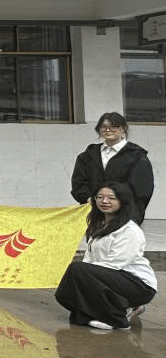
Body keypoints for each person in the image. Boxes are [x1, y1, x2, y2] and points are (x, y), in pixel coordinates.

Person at [55, 182, 156, 330]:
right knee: (75, 311)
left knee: (78, 270)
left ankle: (117, 318)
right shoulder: (98, 226)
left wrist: (85, 273)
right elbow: (89, 259)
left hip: (138, 284)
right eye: (100, 197)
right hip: (110, 277)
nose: (104, 201)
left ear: (122, 201)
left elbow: (116, 264)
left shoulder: (129, 230)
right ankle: (122, 308)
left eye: (111, 198)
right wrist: (83, 275)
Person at [71, 112, 153, 225]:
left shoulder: (137, 156)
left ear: (123, 129)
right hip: (93, 215)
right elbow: (78, 184)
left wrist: (118, 204)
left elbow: (142, 189)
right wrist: (92, 201)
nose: (108, 130)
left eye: (113, 126)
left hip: (125, 215)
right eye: (103, 127)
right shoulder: (87, 156)